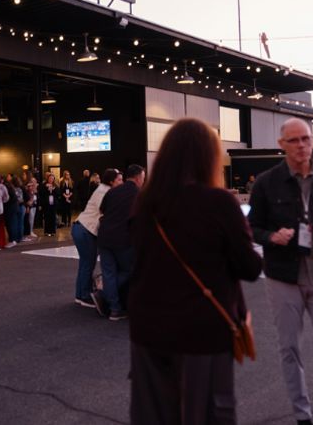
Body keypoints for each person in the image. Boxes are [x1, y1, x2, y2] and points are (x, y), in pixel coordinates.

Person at [129, 118, 262, 424]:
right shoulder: (218, 202)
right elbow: (250, 266)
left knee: (153, 414)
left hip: (147, 327)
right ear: (209, 157)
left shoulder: (145, 203)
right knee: (208, 412)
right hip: (202, 329)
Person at [248, 118, 313, 425]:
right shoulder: (267, 182)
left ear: (312, 140)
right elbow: (252, 227)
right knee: (290, 350)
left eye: (305, 138)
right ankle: (302, 415)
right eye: (293, 140)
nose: (301, 145)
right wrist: (271, 237)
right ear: (281, 145)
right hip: (283, 278)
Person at [91, 164, 146, 320]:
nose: (144, 180)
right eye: (143, 177)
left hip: (104, 237)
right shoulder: (140, 195)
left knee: (109, 273)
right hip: (123, 240)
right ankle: (105, 295)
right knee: (130, 271)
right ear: (137, 178)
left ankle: (114, 308)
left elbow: (102, 211)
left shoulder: (112, 192)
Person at [71, 168, 122, 308]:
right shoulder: (104, 192)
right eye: (119, 180)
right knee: (88, 263)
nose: (121, 182)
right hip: (86, 229)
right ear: (111, 181)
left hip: (80, 227)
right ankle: (84, 296)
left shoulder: (103, 189)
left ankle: (80, 294)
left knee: (85, 263)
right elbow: (105, 212)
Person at [23, 171, 38, 238]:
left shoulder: (31, 182)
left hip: (31, 202)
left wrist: (31, 201)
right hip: (27, 202)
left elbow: (33, 192)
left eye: (24, 174)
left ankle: (30, 231)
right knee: (27, 218)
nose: (23, 176)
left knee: (31, 217)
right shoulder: (25, 183)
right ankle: (28, 231)